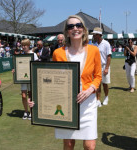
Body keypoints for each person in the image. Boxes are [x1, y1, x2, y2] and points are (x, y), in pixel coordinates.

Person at [28, 15, 102, 150]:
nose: (75, 28)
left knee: (90, 146)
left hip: (88, 103)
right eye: (71, 26)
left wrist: (90, 89)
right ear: (67, 31)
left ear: (84, 29)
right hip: (66, 104)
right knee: (68, 144)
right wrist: (36, 100)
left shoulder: (94, 50)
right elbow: (52, 82)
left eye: (78, 25)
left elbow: (97, 76)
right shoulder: (57, 53)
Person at [13, 39, 38, 120]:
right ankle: (26, 111)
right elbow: (19, 67)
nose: (23, 47)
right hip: (23, 78)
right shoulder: (21, 55)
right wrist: (15, 70)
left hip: (31, 78)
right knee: (24, 96)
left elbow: (37, 66)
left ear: (28, 45)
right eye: (22, 45)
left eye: (25, 45)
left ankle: (31, 112)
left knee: (30, 95)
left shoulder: (33, 54)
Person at [92, 27, 112, 107]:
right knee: (98, 84)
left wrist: (107, 68)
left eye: (94, 34)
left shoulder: (106, 43)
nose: (93, 36)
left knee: (105, 84)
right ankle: (98, 100)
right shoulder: (94, 44)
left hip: (104, 66)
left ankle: (106, 97)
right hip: (96, 67)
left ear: (99, 35)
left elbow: (109, 56)